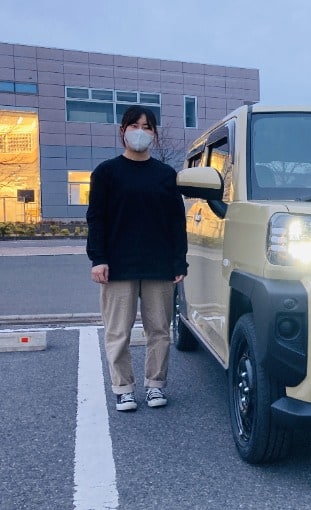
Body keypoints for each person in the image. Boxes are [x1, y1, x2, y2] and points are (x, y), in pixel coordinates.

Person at [86, 105, 188, 412]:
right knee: (118, 331)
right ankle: (124, 388)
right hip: (117, 266)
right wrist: (98, 258)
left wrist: (178, 262)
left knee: (160, 330)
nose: (140, 132)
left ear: (154, 134)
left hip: (159, 265)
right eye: (134, 125)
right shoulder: (106, 173)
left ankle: (155, 386)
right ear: (122, 131)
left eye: (147, 127)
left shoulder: (166, 175)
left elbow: (175, 222)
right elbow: (97, 219)